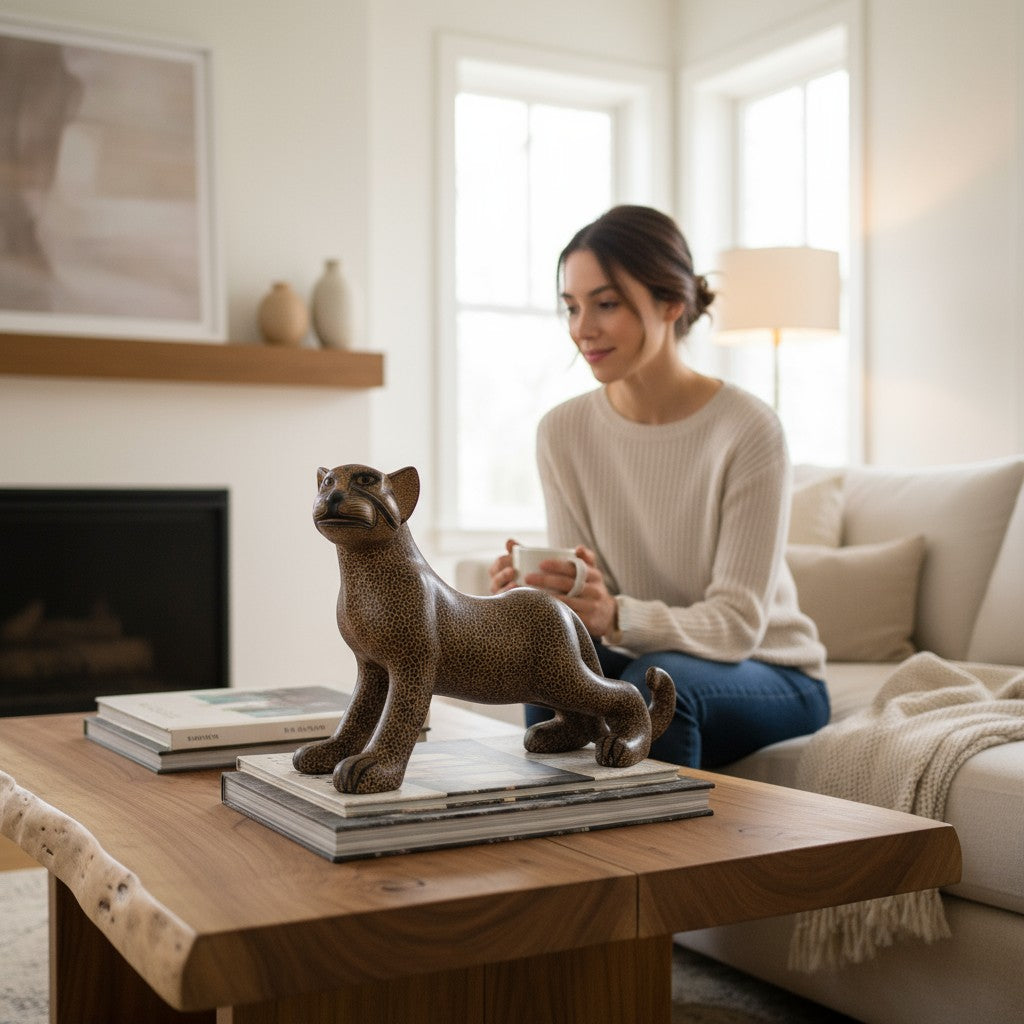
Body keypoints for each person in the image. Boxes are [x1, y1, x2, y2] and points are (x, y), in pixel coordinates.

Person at [488, 204, 829, 769]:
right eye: (572, 307)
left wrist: (616, 616)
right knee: (547, 665)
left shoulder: (748, 428)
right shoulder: (563, 432)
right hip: (645, 655)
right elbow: (591, 606)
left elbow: (738, 625)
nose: (582, 328)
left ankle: (663, 831)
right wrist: (542, 599)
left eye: (606, 304)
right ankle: (553, 827)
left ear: (671, 303)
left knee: (655, 685)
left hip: (772, 671)